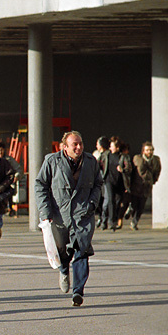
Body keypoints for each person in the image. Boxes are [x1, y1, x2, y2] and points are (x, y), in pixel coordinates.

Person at [35, 131, 103, 307]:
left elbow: (98, 184)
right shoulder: (51, 161)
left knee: (82, 251)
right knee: (63, 251)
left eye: (80, 143)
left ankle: (78, 291)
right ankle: (63, 270)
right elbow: (40, 185)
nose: (79, 147)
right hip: (59, 215)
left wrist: (92, 203)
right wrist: (45, 211)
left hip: (83, 214)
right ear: (64, 147)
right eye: (75, 144)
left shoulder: (91, 162)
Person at [128, 142, 161, 230]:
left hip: (147, 186)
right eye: (147, 150)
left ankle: (134, 222)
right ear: (143, 151)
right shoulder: (137, 158)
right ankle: (130, 210)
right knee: (134, 204)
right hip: (136, 185)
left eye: (150, 150)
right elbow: (132, 171)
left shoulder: (156, 160)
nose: (149, 152)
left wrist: (154, 180)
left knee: (141, 206)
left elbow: (157, 171)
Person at [102, 137, 128, 231]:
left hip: (120, 182)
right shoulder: (106, 155)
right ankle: (111, 222)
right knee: (110, 201)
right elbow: (99, 164)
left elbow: (129, 168)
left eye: (112, 146)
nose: (110, 148)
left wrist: (123, 170)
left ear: (117, 148)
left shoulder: (123, 157)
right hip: (109, 180)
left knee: (118, 202)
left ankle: (115, 219)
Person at [0, 141, 22, 217]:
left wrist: (16, 176)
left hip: (8, 184)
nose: (0, 152)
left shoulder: (9, 160)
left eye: (1, 150)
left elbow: (19, 169)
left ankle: (9, 208)